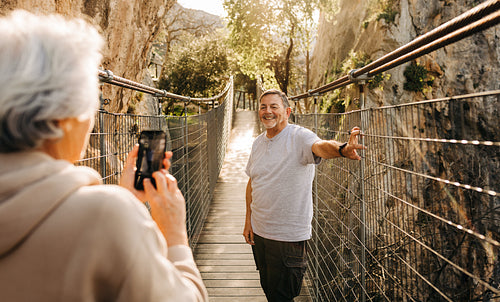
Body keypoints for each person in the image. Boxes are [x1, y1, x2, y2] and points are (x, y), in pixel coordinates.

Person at [0, 10, 208, 301]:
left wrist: (126, 200)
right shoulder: (106, 216)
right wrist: (175, 236)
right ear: (66, 117)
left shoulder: (110, 212)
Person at [243, 89, 365, 301]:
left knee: (282, 296)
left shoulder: (299, 136)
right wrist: (248, 221)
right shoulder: (258, 143)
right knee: (269, 290)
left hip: (286, 237)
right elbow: (252, 181)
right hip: (260, 232)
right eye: (263, 107)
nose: (267, 111)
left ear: (287, 111)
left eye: (274, 107)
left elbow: (320, 147)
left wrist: (343, 149)